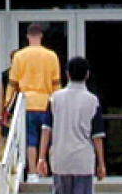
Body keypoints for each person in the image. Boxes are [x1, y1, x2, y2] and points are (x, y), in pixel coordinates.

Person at [36, 57, 106, 194]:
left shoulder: (55, 98)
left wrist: (41, 157)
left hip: (60, 160)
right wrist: (101, 163)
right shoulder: (92, 101)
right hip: (83, 161)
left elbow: (46, 129)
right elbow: (97, 136)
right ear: (87, 74)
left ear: (67, 74)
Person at [8, 23, 62, 182]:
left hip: (27, 102)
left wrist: (7, 105)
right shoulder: (51, 56)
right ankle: (44, 166)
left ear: (27, 36)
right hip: (46, 101)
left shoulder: (19, 56)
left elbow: (13, 84)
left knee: (30, 139)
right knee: (47, 137)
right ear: (41, 36)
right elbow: (56, 83)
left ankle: (32, 172)